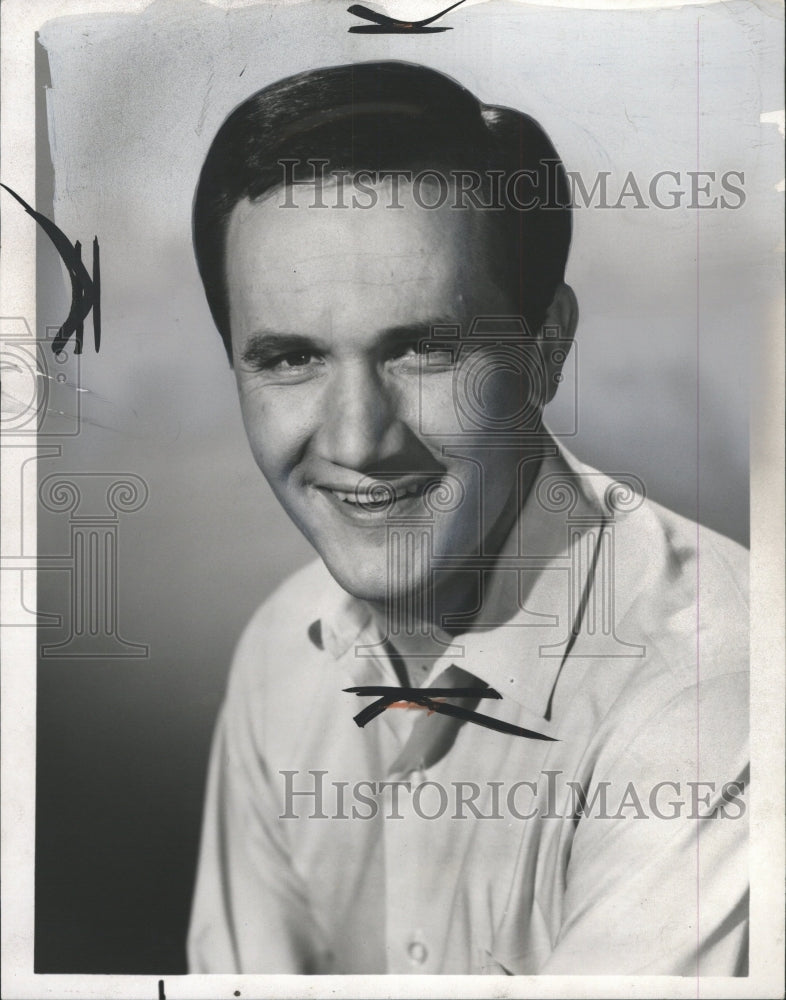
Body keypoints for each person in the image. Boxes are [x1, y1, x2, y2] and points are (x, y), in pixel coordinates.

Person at [187, 61, 749, 975]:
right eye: (290, 359)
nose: (358, 440)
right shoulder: (278, 661)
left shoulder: (714, 692)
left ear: (546, 350)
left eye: (422, 349)